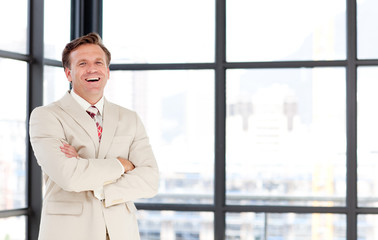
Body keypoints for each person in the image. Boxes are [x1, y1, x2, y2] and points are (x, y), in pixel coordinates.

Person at [29, 32, 159, 240]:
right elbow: (69, 177)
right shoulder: (46, 117)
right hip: (69, 233)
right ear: (68, 73)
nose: (92, 68)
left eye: (98, 62)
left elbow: (150, 180)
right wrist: (120, 165)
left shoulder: (129, 118)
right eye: (82, 63)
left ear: (107, 71)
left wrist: (91, 176)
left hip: (121, 233)